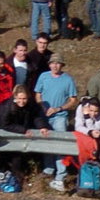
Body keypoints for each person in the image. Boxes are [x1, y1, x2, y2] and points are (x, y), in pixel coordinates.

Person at [35, 54, 78, 189]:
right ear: (49, 64)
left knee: (60, 145)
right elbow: (37, 94)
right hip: (45, 115)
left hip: (60, 116)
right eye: (53, 63)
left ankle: (61, 174)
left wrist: (59, 108)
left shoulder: (68, 80)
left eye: (58, 63)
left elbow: (73, 100)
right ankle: (48, 169)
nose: (55, 66)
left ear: (62, 65)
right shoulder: (43, 76)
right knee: (47, 143)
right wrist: (43, 106)